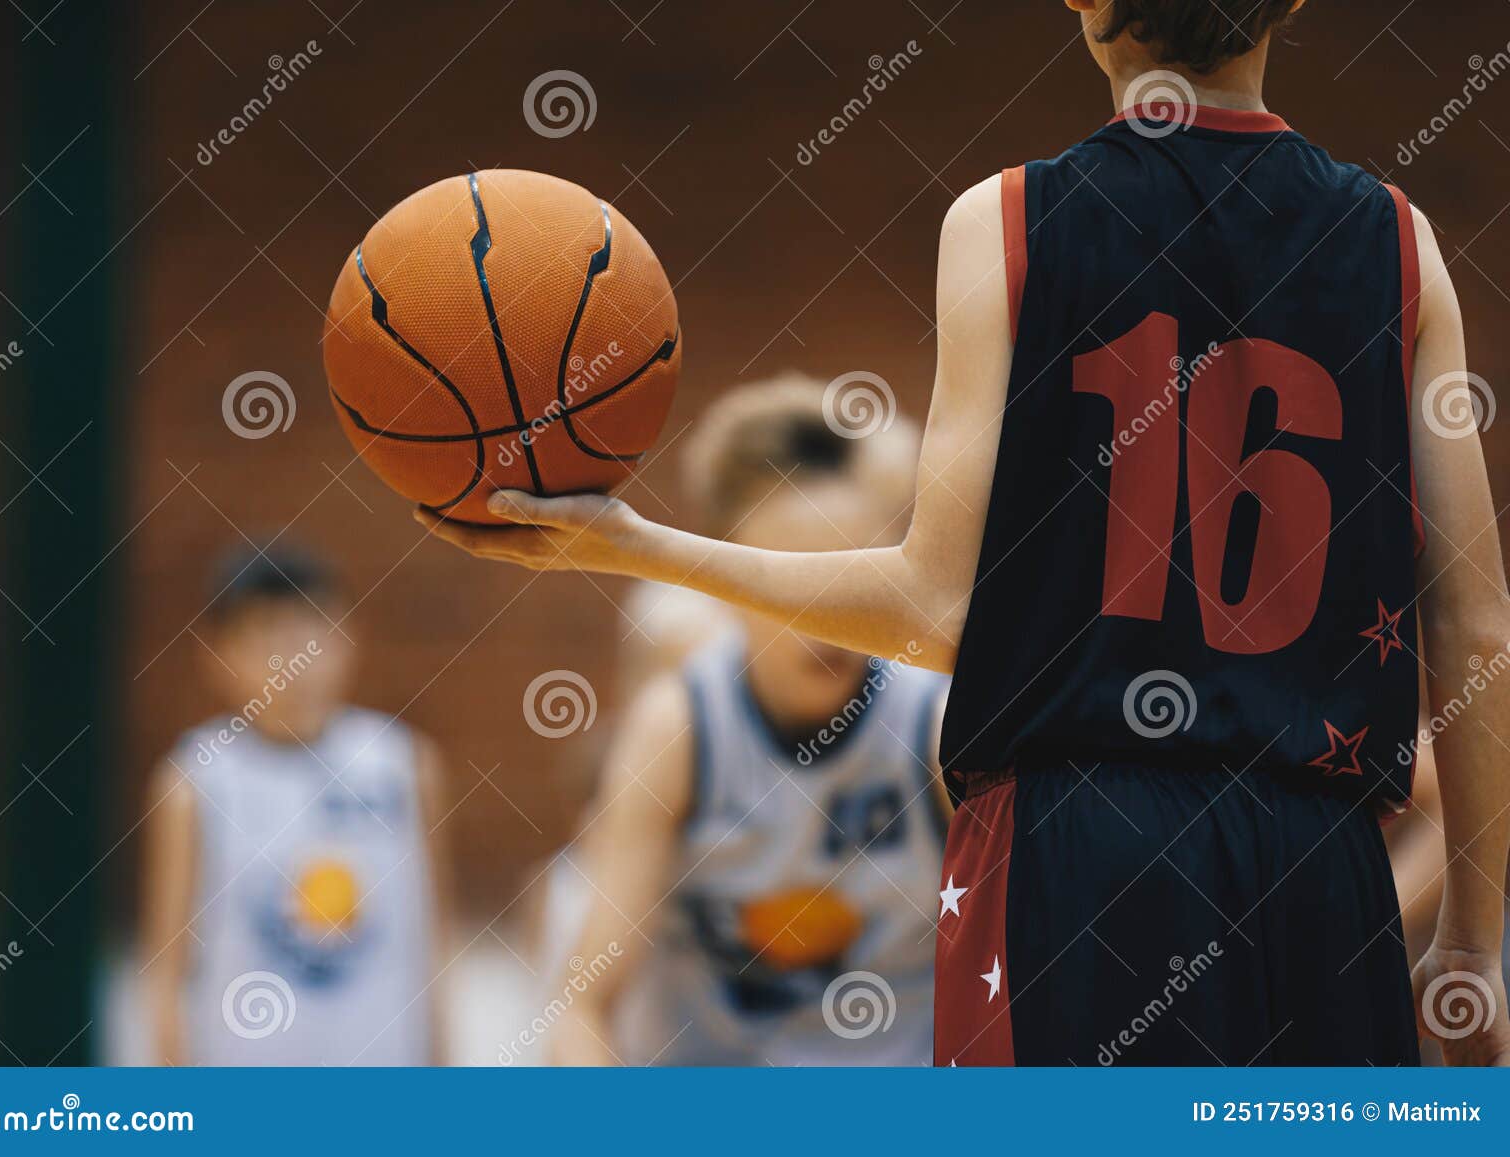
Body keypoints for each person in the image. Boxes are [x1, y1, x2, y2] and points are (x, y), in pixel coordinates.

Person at [420, 1, 1510, 1066]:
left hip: (1077, 858)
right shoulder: (1401, 247)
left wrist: (636, 545)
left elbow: (937, 609)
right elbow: (1473, 625)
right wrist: (1469, 941)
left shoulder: (1006, 220)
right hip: (1322, 869)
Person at [544, 378, 950, 1066]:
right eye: (791, 579)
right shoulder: (675, 728)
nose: (826, 615)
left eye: (847, 575)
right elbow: (583, 1005)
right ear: (726, 580)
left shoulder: (936, 718)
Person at [141, 546, 453, 1065]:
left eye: (312, 631)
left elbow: (434, 945)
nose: (293, 658)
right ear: (217, 655)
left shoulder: (404, 764)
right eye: (266, 636)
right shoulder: (195, 780)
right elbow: (168, 972)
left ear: (349, 636)